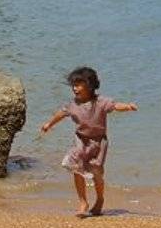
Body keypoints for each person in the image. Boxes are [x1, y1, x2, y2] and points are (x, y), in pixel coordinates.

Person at [38, 66, 137, 217]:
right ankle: (83, 202)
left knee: (97, 173)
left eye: (78, 84)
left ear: (90, 86)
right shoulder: (73, 105)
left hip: (98, 143)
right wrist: (49, 124)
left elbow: (115, 105)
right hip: (81, 140)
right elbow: (61, 113)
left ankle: (100, 199)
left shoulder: (101, 102)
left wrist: (128, 106)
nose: (74, 88)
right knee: (75, 166)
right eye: (73, 85)